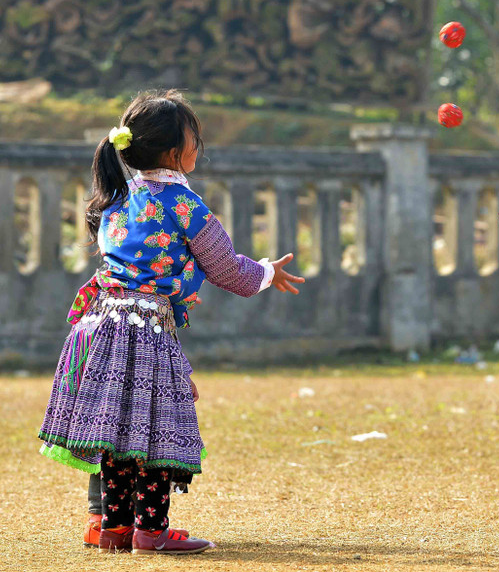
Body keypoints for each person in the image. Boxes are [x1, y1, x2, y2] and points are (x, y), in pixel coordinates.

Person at [38, 90, 305, 553]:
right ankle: (152, 530)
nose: (198, 147)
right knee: (155, 426)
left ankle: (115, 528)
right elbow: (226, 269)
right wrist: (267, 272)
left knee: (117, 430)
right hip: (146, 329)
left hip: (100, 323)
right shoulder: (184, 205)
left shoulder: (117, 199)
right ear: (174, 152)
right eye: (194, 138)